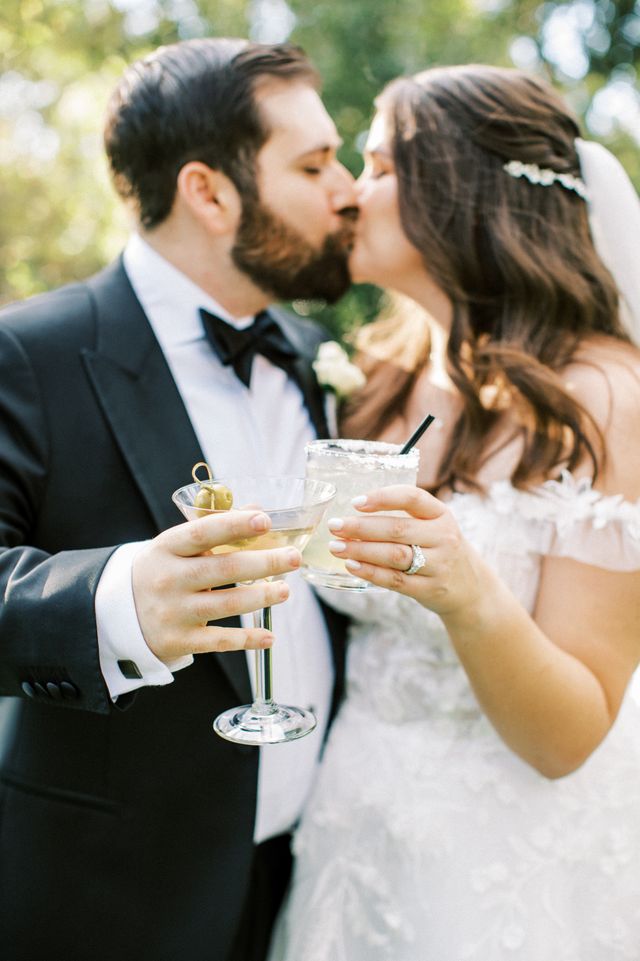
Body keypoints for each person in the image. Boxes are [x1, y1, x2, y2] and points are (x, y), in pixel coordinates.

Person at [270, 65, 640, 960]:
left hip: (508, 859)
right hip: (349, 829)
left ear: (461, 192)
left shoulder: (600, 399)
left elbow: (571, 733)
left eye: (380, 166)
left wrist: (468, 592)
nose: (352, 195)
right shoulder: (379, 375)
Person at [0, 38, 356, 961]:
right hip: (107, 901)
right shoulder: (29, 354)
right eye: (314, 164)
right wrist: (117, 600)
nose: (348, 187)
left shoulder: (308, 351)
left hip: (300, 885)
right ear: (209, 191)